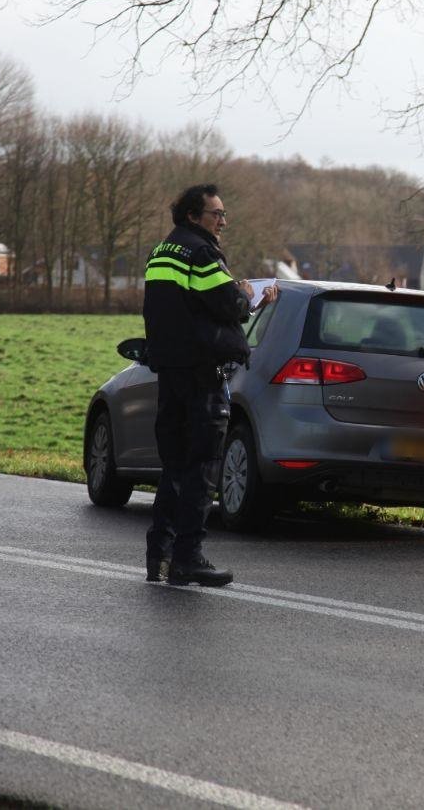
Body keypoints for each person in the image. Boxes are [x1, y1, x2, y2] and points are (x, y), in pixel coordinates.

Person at [142, 183, 277, 587]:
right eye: (216, 214)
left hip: (171, 373)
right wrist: (248, 294)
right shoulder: (201, 253)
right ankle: (189, 558)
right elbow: (229, 305)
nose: (223, 221)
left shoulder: (161, 252)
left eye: (223, 214)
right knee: (201, 467)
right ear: (192, 217)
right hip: (203, 375)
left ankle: (160, 557)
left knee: (175, 468)